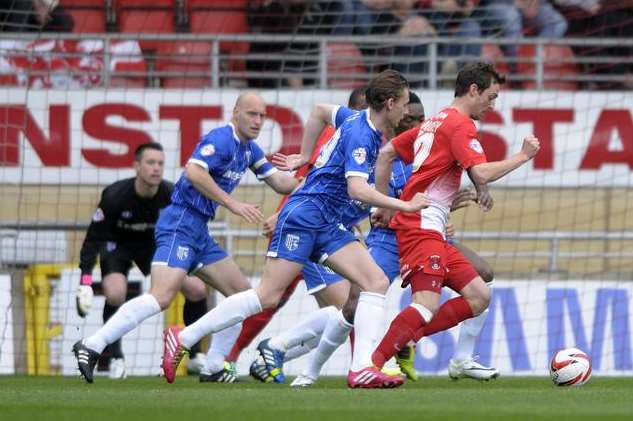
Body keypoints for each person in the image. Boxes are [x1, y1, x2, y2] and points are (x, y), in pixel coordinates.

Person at [160, 69, 429, 388]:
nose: (406, 110)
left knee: (375, 281)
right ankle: (184, 336)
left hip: (327, 222)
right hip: (305, 216)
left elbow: (318, 111)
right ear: (389, 103)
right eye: (403, 102)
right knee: (267, 296)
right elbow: (357, 190)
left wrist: (304, 153)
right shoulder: (363, 135)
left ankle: (361, 369)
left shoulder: (353, 118)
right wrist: (404, 205)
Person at [72, 92, 300, 384]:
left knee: (243, 294)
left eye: (262, 116)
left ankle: (214, 366)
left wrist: (307, 172)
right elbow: (193, 172)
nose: (258, 121)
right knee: (162, 297)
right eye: (252, 114)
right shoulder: (220, 139)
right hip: (179, 223)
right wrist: (232, 204)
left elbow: (281, 183)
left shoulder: (250, 150)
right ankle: (92, 345)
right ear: (236, 113)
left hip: (199, 230)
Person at [368, 62, 540, 387]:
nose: (493, 105)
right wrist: (523, 155)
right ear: (473, 90)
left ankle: (408, 339)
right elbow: (482, 172)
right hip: (422, 224)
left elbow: (388, 152)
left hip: (426, 223)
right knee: (426, 304)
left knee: (479, 295)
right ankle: (374, 360)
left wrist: (387, 204)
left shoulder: (436, 120)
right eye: (491, 97)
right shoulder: (460, 125)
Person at [219, 87, 369, 375]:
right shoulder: (342, 133)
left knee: (280, 300)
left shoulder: (368, 139)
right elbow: (308, 180)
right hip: (307, 227)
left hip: (327, 230)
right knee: (344, 309)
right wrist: (281, 213)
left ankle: (250, 355)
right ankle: (244, 353)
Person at [75, 142, 208, 379]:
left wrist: (195, 263)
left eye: (160, 164)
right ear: (136, 166)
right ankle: (116, 358)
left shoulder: (171, 194)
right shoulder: (114, 195)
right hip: (117, 246)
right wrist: (85, 280)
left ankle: (196, 355)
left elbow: (188, 231)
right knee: (115, 292)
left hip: (153, 247)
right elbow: (93, 238)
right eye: (150, 163)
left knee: (197, 289)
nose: (156, 168)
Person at [0, 0, 74, 32]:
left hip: (43, 5)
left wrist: (47, 6)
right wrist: (36, 3)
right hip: (14, 4)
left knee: (65, 21)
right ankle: (12, 47)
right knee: (24, 5)